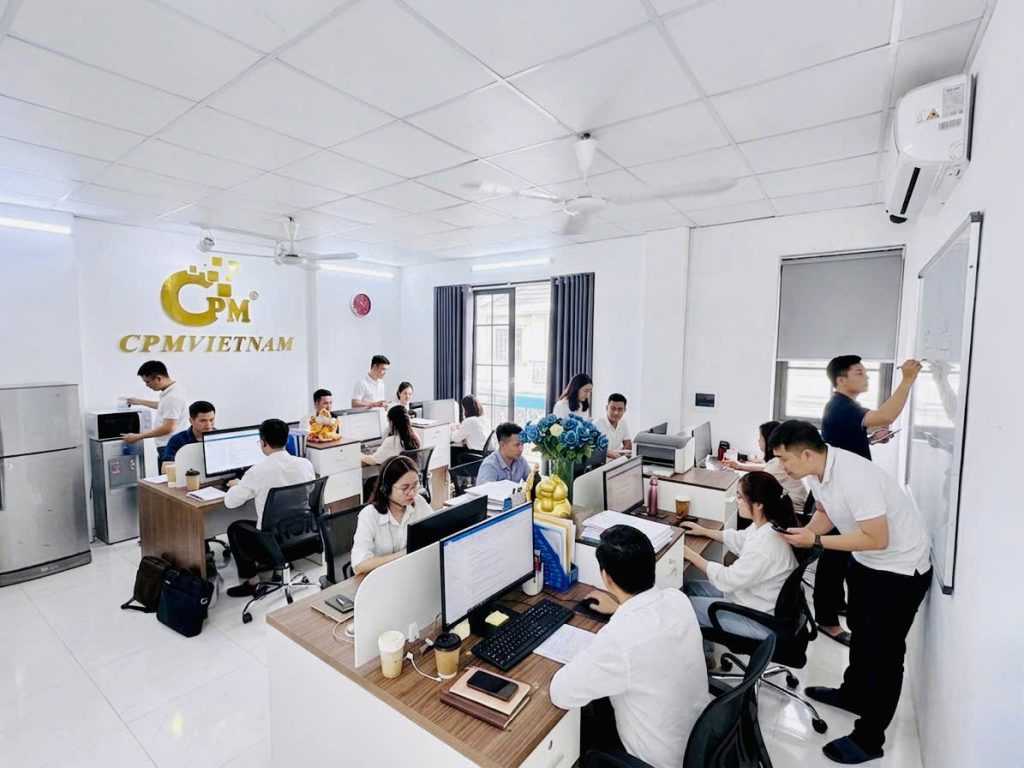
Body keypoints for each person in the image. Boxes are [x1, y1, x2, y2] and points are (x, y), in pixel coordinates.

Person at [767, 420, 931, 765]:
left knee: (884, 654)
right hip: (868, 561)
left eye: (783, 459)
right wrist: (802, 535)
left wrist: (816, 540)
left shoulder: (856, 477)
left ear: (806, 454)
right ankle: (853, 694)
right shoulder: (815, 472)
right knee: (860, 632)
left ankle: (870, 739)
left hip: (900, 569)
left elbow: (878, 538)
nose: (781, 466)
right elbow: (826, 514)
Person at [550, 525, 707, 768]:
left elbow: (560, 693)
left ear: (606, 578)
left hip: (657, 761)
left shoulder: (619, 640)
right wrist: (619, 608)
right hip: (698, 743)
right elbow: (645, 625)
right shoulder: (678, 600)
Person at [815, 357, 923, 646]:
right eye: (860, 372)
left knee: (839, 557)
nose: (867, 377)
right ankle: (826, 620)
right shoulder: (841, 406)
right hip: (840, 493)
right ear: (841, 380)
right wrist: (907, 379)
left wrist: (870, 440)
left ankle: (834, 607)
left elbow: (845, 443)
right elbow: (886, 416)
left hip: (847, 491)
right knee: (833, 559)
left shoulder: (844, 408)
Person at [681, 472, 798, 643]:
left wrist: (691, 555)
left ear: (758, 505)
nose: (737, 501)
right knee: (689, 587)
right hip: (753, 599)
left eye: (740, 497)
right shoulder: (766, 526)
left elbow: (728, 579)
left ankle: (704, 656)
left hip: (759, 620)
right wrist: (704, 531)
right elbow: (740, 539)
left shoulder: (765, 546)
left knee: (684, 608)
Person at [224, 419, 316, 598]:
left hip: (273, 543)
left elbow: (230, 502)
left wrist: (238, 485)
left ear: (263, 443)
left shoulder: (257, 472)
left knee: (235, 528)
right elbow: (310, 490)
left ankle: (253, 582)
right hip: (303, 536)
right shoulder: (305, 464)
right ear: (286, 439)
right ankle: (279, 569)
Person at [350, 456, 434, 575]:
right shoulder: (369, 515)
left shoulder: (418, 502)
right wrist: (406, 553)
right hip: (381, 577)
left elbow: (436, 532)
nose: (412, 493)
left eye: (415, 485)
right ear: (386, 488)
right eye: (405, 488)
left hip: (411, 572)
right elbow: (359, 565)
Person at [721, 421, 807, 511]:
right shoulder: (778, 461)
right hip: (792, 502)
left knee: (738, 502)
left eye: (760, 438)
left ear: (768, 441)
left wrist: (729, 478)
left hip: (793, 509)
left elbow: (755, 485)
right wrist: (739, 466)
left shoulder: (777, 465)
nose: (758, 441)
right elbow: (765, 469)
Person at [122, 360, 189, 454]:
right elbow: (164, 407)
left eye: (148, 382)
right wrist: (139, 402)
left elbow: (168, 428)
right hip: (172, 444)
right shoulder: (175, 389)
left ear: (158, 378)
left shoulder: (172, 397)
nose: (147, 385)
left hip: (169, 446)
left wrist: (138, 436)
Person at [161, 400, 216, 466]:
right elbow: (166, 466)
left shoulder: (221, 437)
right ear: (191, 421)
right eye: (203, 421)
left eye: (211, 420)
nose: (208, 425)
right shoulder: (177, 440)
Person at [594, 393, 632, 459]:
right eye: (613, 408)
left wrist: (623, 455)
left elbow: (627, 443)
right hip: (601, 462)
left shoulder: (623, 422)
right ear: (607, 408)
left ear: (624, 410)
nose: (616, 413)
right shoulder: (596, 424)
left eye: (620, 409)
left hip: (617, 460)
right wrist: (609, 453)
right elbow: (591, 450)